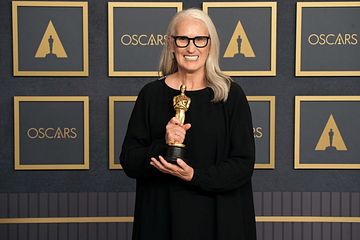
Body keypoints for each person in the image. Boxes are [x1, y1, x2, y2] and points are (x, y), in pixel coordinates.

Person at [120, 8, 256, 240]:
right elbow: (130, 162)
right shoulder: (151, 95)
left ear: (210, 44)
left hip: (219, 221)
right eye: (183, 39)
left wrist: (194, 175)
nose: (191, 48)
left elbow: (243, 165)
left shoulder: (230, 95)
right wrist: (164, 144)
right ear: (170, 44)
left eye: (199, 39)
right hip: (161, 221)